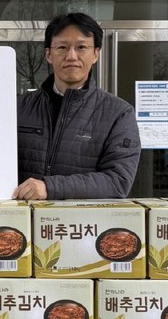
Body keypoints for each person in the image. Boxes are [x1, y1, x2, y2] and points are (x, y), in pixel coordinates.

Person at [13, 12, 140, 200]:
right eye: (62, 47)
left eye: (81, 47)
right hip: (21, 218)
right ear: (49, 54)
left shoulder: (119, 114)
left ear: (95, 54)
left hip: (82, 219)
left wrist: (50, 187)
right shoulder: (18, 107)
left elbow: (117, 182)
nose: (71, 56)